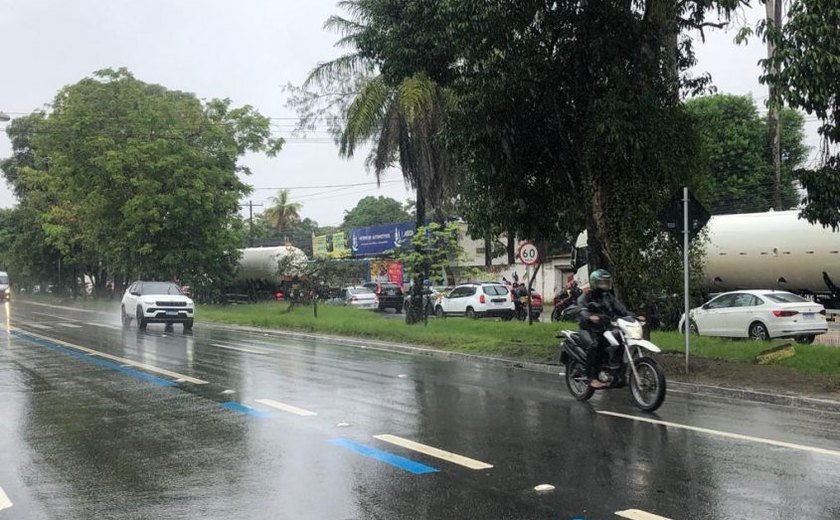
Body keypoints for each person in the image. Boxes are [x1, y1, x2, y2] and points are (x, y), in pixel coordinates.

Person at [577, 269, 630, 388]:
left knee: (620, 342)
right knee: (594, 345)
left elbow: (621, 310)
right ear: (594, 282)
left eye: (606, 282)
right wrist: (589, 317)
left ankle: (617, 374)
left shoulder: (609, 296)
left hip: (605, 329)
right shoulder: (586, 296)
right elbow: (581, 309)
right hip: (588, 329)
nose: (605, 285)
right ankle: (591, 377)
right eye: (602, 282)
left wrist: (632, 316)